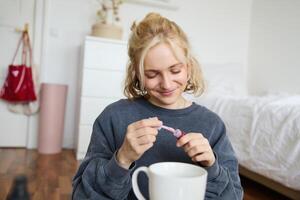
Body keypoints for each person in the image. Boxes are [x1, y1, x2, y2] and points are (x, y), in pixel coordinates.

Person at [72, 12, 243, 200]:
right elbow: (82, 195)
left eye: (175, 70)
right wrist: (122, 159)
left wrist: (212, 167)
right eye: (152, 75)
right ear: (137, 73)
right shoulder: (113, 118)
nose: (167, 84)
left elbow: (233, 196)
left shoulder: (212, 125)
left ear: (189, 67)